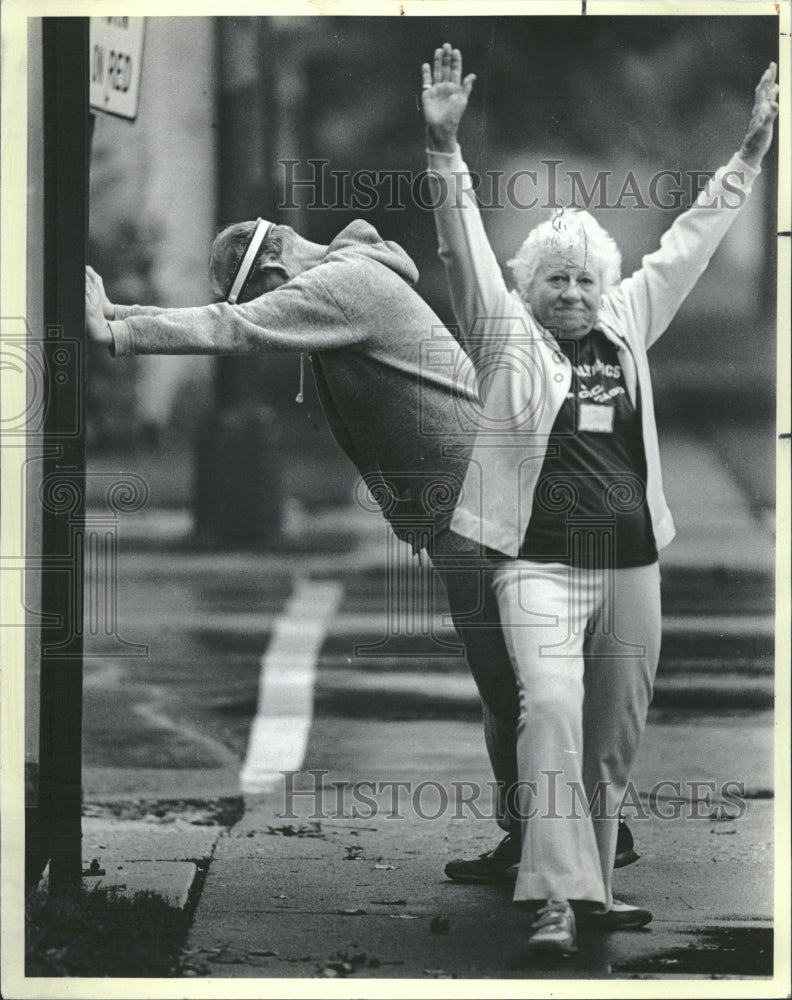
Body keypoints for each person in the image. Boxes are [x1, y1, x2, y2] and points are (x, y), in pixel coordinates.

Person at [421, 43, 778, 957]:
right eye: (555, 280)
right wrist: (443, 152)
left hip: (629, 565)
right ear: (527, 291)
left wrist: (748, 157)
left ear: (604, 287)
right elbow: (463, 253)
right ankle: (546, 904)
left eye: (584, 277)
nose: (572, 292)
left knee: (610, 742)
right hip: (536, 565)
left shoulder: (627, 325)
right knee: (547, 707)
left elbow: (689, 244)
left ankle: (593, 895)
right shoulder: (506, 336)